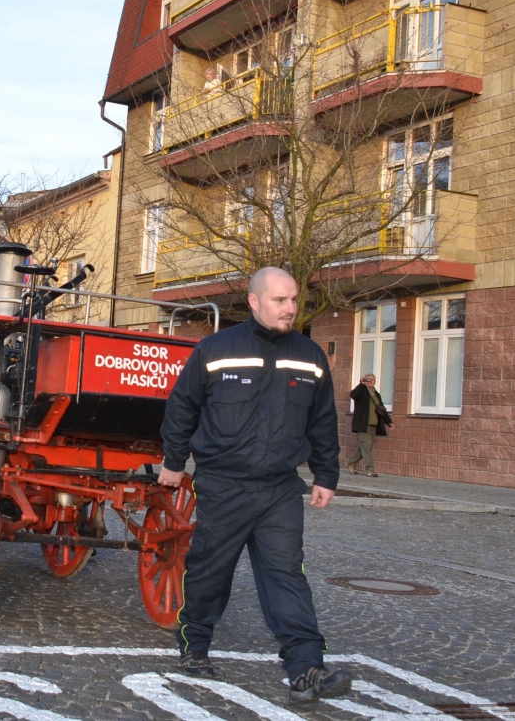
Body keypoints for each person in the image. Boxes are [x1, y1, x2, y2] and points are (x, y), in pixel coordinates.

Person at [158, 266, 352, 704]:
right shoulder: (215, 349)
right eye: (280, 300)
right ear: (254, 301)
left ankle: (306, 668)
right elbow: (182, 407)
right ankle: (196, 645)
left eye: (294, 300)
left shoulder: (310, 356)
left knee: (287, 576)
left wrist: (326, 475)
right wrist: (173, 461)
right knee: (211, 570)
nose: (290, 308)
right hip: (223, 485)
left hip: (281, 489)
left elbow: (323, 420)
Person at [347, 373, 392, 477]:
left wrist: (389, 422)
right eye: (367, 379)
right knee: (366, 446)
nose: (369, 381)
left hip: (373, 424)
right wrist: (360, 384)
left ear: (375, 381)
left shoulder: (376, 394)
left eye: (371, 380)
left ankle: (350, 463)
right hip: (362, 424)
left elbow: (381, 409)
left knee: (366, 446)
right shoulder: (361, 391)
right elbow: (353, 395)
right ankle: (370, 470)